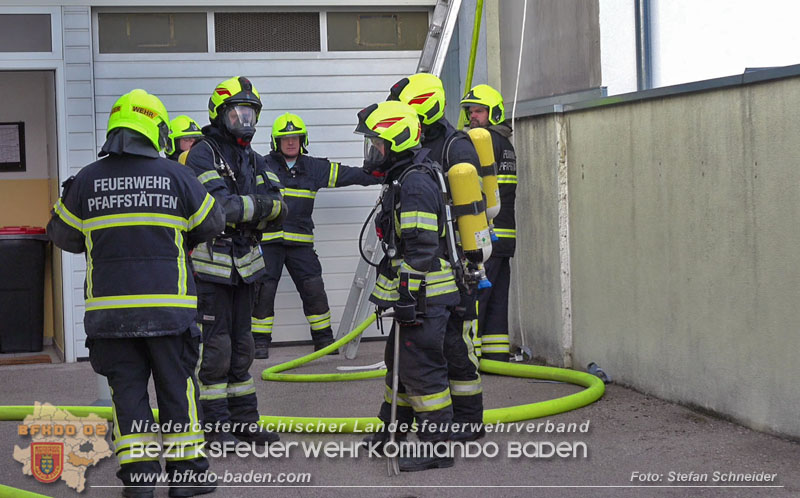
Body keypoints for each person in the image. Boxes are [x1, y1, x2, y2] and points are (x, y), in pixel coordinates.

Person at [47, 89, 224, 498]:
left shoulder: (87, 179)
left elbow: (61, 235)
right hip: (170, 312)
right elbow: (212, 222)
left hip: (110, 316)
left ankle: (141, 482)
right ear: (155, 129)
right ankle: (187, 479)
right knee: (178, 390)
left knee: (127, 396)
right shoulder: (177, 176)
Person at [355, 100, 461, 471]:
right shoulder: (407, 175)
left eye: (377, 144)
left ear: (397, 141)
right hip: (418, 295)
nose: (373, 151)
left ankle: (438, 448)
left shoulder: (414, 183)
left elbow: (422, 249)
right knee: (397, 363)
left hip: (424, 296)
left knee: (422, 370)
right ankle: (392, 433)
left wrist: (406, 295)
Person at [184, 76, 286, 444]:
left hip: (245, 266)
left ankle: (245, 423)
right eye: (238, 113)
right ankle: (215, 427)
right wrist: (257, 207)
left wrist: (253, 208)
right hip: (211, 268)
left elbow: (280, 206)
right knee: (216, 349)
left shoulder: (252, 158)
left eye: (250, 113)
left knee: (243, 347)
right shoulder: (203, 153)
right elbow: (220, 208)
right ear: (220, 114)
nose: (245, 121)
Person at [386, 72, 485, 441]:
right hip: (424, 264)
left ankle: (469, 423)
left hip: (454, 264)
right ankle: (401, 427)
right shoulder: (411, 146)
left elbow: (468, 208)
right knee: (415, 350)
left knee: (455, 347)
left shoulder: (454, 147)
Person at [251, 112, 379, 358]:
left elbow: (349, 175)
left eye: (295, 137)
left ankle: (323, 340)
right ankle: (259, 343)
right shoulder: (261, 165)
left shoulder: (314, 168)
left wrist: (381, 173)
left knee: (314, 290)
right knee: (263, 292)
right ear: (275, 142)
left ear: (303, 140)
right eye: (285, 138)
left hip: (301, 246)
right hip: (269, 244)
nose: (291, 142)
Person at [461, 84, 517, 362]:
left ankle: (468, 359)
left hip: (484, 236)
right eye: (471, 111)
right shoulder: (505, 144)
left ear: (493, 113)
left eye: (479, 111)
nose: (473, 116)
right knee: (496, 300)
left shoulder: (482, 141)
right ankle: (496, 357)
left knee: (475, 299)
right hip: (504, 238)